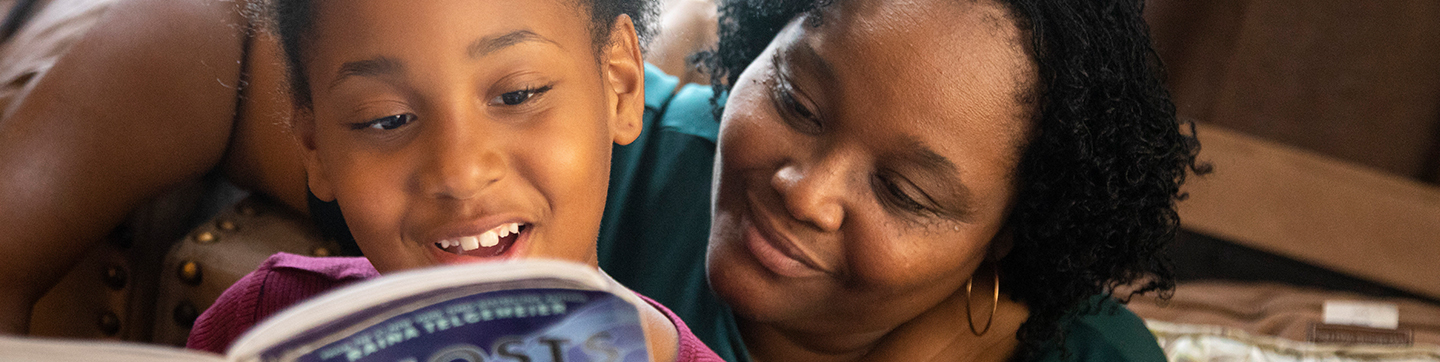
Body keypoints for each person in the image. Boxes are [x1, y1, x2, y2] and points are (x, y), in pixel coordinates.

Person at [597, 0, 1203, 361]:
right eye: (795, 101)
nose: (807, 195)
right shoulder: (596, 143)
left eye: (902, 192)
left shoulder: (1090, 357)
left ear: (1007, 233)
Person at [178, 1, 725, 362]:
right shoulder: (260, 324)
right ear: (315, 145)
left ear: (619, 86)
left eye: (518, 94)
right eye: (386, 119)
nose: (460, 173)